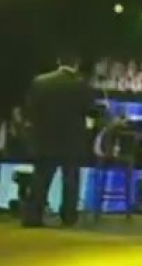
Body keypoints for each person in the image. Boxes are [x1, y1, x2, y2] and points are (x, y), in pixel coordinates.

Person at [23, 54, 95, 228]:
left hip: (44, 139)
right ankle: (68, 217)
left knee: (41, 179)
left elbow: (30, 110)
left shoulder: (40, 82)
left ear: (58, 62)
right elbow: (89, 110)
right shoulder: (81, 85)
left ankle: (33, 216)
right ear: (76, 64)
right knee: (70, 180)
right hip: (72, 140)